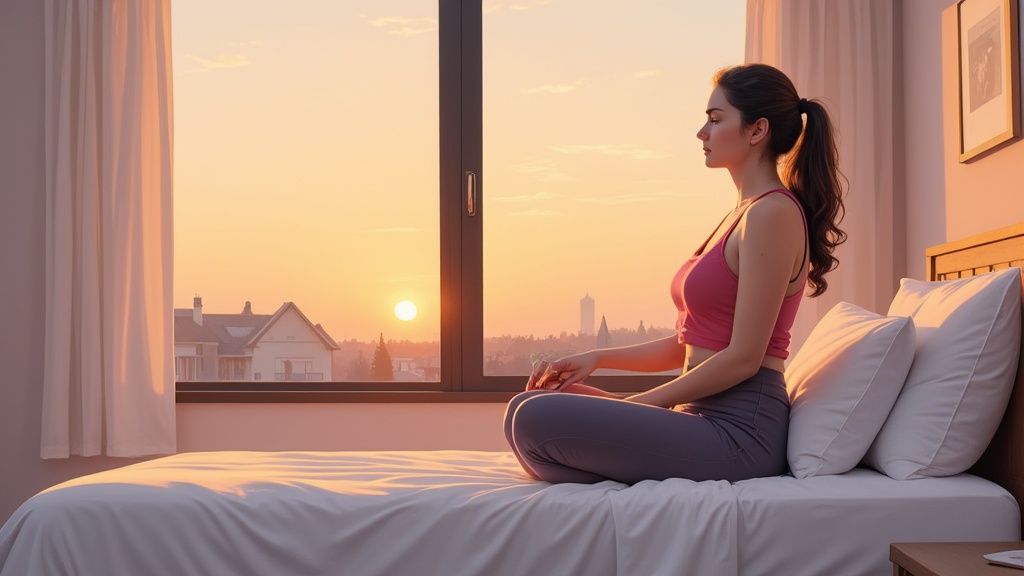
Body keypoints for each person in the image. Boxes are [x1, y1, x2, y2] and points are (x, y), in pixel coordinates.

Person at [503, 63, 848, 485]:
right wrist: (596, 358)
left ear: (757, 131)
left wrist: (643, 404)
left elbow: (744, 357)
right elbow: (690, 343)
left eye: (716, 119)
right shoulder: (741, 214)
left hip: (740, 432)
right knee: (531, 404)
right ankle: (618, 472)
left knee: (534, 419)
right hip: (698, 414)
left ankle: (617, 471)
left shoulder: (773, 214)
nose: (702, 132)